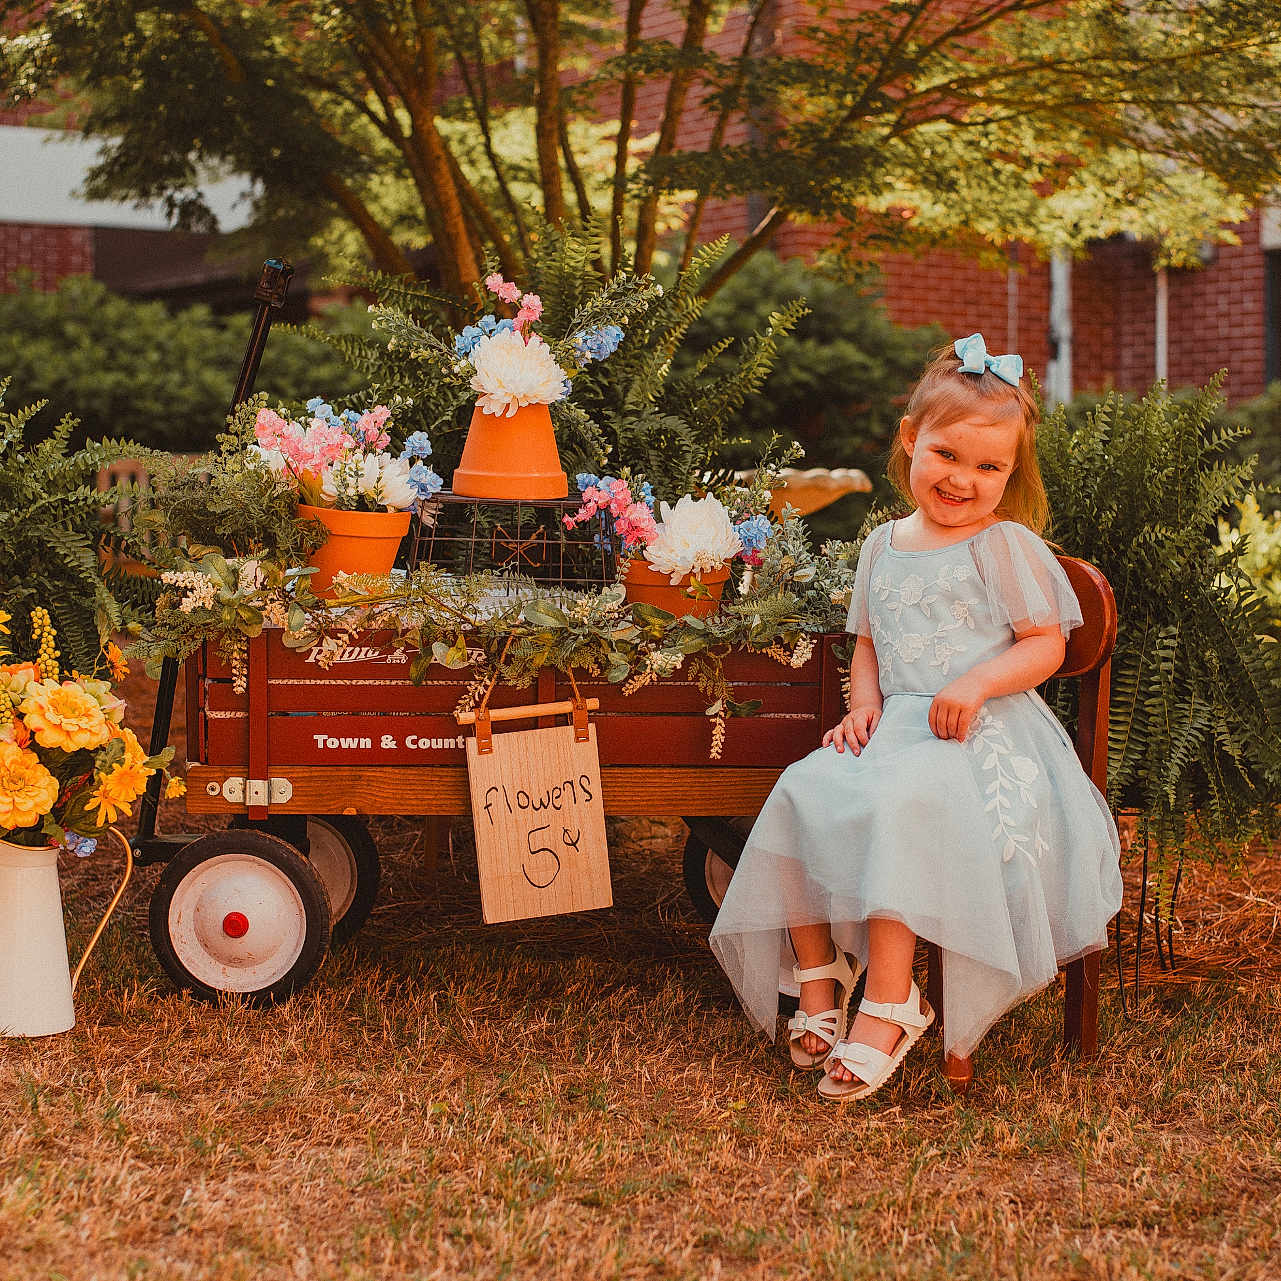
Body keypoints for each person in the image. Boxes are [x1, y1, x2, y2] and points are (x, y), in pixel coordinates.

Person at [709, 333, 1124, 1103]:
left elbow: (1042, 646)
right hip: (898, 725)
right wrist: (862, 706)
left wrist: (976, 681)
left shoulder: (1004, 545)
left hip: (983, 733)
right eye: (947, 455)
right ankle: (820, 975)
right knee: (804, 788)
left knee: (902, 806)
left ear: (1011, 472)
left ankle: (893, 999)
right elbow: (868, 643)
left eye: (987, 466)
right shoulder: (880, 544)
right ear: (911, 441)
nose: (963, 478)